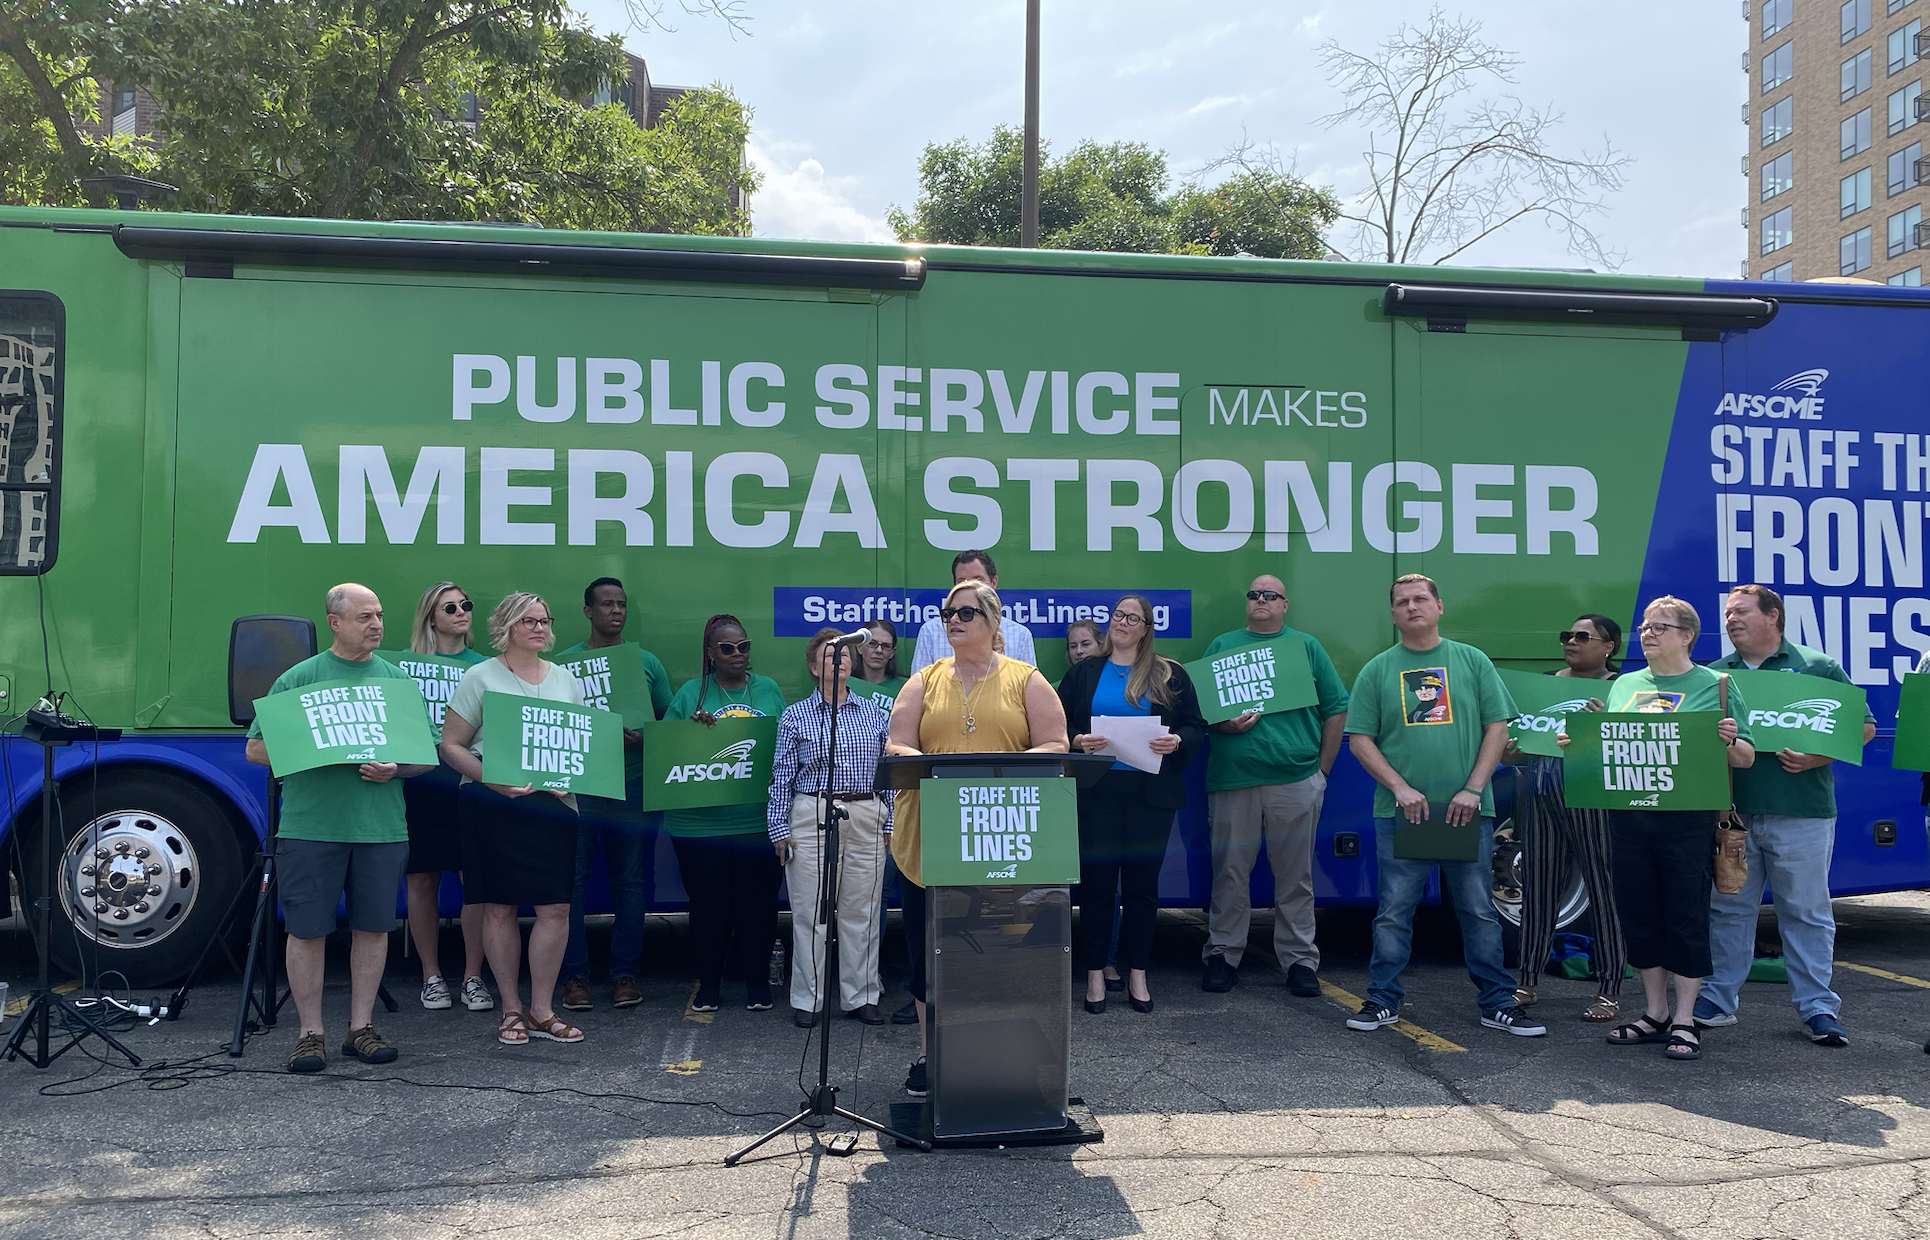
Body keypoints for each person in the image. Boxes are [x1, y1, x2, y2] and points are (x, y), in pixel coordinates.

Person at [886, 579, 1069, 1097]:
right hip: (930, 839)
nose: (953, 620)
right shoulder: (922, 680)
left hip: (1000, 836)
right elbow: (898, 745)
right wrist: (932, 766)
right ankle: (930, 1054)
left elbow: (1056, 743)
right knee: (929, 953)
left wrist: (997, 770)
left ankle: (999, 1050)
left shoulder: (1026, 679)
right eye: (947, 612)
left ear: (993, 621)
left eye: (965, 612)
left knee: (998, 953)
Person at [1344, 574, 1544, 1038]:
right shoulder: (1377, 669)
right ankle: (1382, 1000)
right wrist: (1399, 787)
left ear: (1439, 606)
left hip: (1467, 811)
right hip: (1403, 812)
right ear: (1393, 614)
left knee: (1477, 910)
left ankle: (1497, 1002)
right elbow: (1360, 740)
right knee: (1394, 911)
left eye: (1420, 599)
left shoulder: (1470, 661)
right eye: (1401, 602)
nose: (1411, 607)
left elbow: (1498, 728)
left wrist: (1474, 788)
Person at [245, 583, 428, 1072]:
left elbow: (423, 756)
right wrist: (312, 745)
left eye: (380, 615)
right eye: (365, 616)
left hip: (380, 827)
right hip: (311, 827)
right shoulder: (298, 679)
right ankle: (310, 1034)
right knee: (307, 930)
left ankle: (360, 1028)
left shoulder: (396, 682)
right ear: (335, 621)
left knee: (373, 928)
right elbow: (255, 749)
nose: (376, 625)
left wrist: (396, 768)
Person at [1577, 596, 1755, 1063]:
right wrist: (1579, 739)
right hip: (1629, 818)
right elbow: (1609, 751)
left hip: (1687, 822)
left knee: (1686, 917)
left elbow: (1746, 758)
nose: (1648, 633)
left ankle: (1685, 1019)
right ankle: (1655, 1014)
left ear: (1686, 636)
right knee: (1639, 915)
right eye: (1645, 626)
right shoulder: (1625, 685)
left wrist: (1729, 739)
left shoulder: (1716, 684)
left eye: (1659, 627)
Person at [1700, 584, 1871, 1047]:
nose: (1731, 620)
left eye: (1740, 612)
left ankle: (1818, 1009)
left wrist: (1817, 757)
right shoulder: (1715, 675)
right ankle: (1717, 1000)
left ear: (1772, 616)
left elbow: (1865, 726)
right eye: (1728, 613)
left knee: (1805, 912)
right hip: (1735, 816)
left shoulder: (1817, 667)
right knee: (1730, 909)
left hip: (1802, 814)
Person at [439, 592, 588, 1048]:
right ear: (506, 626)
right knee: (500, 907)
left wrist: (572, 775)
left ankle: (542, 1009)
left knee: (556, 908)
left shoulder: (566, 680)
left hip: (553, 807)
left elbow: (581, 744)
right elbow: (450, 745)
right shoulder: (479, 676)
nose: (539, 628)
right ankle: (510, 1009)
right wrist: (493, 780)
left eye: (545, 620)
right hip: (492, 803)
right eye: (529, 621)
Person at [1198, 574, 1350, 997]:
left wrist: (1321, 770)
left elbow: (1337, 709)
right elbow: (1202, 714)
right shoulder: (1222, 647)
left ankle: (1300, 960)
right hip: (1233, 780)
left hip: (1295, 779)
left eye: (1270, 595)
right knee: (1228, 873)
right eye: (1254, 594)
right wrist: (1222, 723)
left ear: (1285, 605)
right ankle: (1223, 955)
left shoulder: (1305, 646)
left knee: (1295, 875)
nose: (1261, 600)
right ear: (1247, 603)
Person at [1060, 595, 1207, 1015]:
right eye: (1118, 615)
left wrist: (1178, 740)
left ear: (1146, 628)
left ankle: (1138, 974)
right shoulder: (1086, 671)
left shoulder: (1168, 673)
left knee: (1143, 889)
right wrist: (1076, 741)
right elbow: (1059, 721)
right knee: (1096, 887)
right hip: (1098, 795)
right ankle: (1094, 974)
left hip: (1151, 796)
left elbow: (1195, 724)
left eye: (1132, 618)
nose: (1122, 623)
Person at [552, 576, 674, 1013]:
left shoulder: (646, 662)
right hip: (580, 788)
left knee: (631, 882)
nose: (615, 611)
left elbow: (667, 723)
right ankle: (575, 977)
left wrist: (644, 740)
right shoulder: (562, 666)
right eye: (606, 604)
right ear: (588, 611)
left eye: (621, 604)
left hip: (634, 784)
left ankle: (626, 973)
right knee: (573, 884)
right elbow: (555, 728)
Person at [1501, 614, 1626, 1023]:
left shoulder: (1619, 690)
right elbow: (1511, 749)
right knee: (1538, 887)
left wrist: (1598, 726)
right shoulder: (1544, 685)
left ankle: (1608, 990)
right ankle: (1527, 983)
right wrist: (1515, 751)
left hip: (1593, 797)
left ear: (1609, 647)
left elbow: (1630, 749)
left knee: (1602, 888)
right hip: (1539, 795)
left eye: (1582, 636)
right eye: (1567, 635)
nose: (1571, 641)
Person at [769, 627, 894, 1027]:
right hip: (812, 813)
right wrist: (778, 828)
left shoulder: (876, 713)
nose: (839, 659)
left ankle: (862, 995)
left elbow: (887, 774)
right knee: (811, 912)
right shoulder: (795, 716)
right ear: (812, 666)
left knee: (863, 911)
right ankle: (809, 999)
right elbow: (782, 776)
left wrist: (890, 819)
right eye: (828, 654)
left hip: (866, 813)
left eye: (843, 654)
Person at [665, 615, 788, 1013]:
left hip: (756, 822)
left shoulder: (767, 689)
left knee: (758, 906)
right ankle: (710, 985)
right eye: (728, 648)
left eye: (744, 646)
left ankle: (757, 984)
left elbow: (785, 745)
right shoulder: (691, 693)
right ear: (710, 654)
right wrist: (691, 729)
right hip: (700, 826)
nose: (738, 655)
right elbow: (668, 750)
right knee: (708, 908)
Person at [399, 581, 493, 1015]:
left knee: (475, 879)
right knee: (421, 879)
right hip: (421, 781)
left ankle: (473, 976)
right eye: (449, 607)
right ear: (430, 617)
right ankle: (431, 976)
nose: (460, 612)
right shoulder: (404, 669)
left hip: (469, 780)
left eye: (465, 605)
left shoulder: (487, 667)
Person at [907, 550, 1036, 672]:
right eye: (962, 581)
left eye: (978, 580)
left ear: (993, 583)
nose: (971, 586)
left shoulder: (1020, 636)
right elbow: (920, 690)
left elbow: (1029, 691)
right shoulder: (930, 631)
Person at [850, 619, 907, 713]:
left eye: (886, 646)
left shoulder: (905, 687)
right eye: (872, 643)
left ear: (892, 652)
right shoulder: (846, 685)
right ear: (859, 647)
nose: (879, 650)